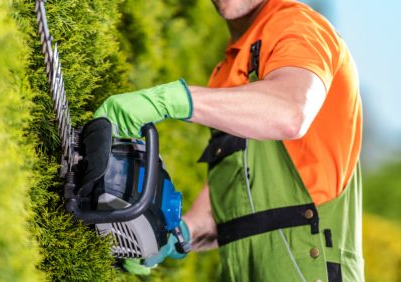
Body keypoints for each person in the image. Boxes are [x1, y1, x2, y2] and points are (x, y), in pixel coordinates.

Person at [94, 0, 364, 281]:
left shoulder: (299, 28)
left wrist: (169, 100)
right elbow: (235, 199)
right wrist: (179, 234)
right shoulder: (229, 68)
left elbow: (291, 111)